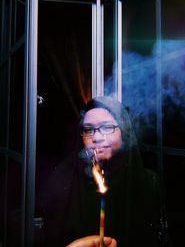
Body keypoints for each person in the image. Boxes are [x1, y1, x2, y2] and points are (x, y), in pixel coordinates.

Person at [36, 96, 162, 247]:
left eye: (107, 127)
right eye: (88, 130)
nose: (96, 137)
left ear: (124, 131)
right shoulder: (62, 178)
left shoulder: (148, 181)